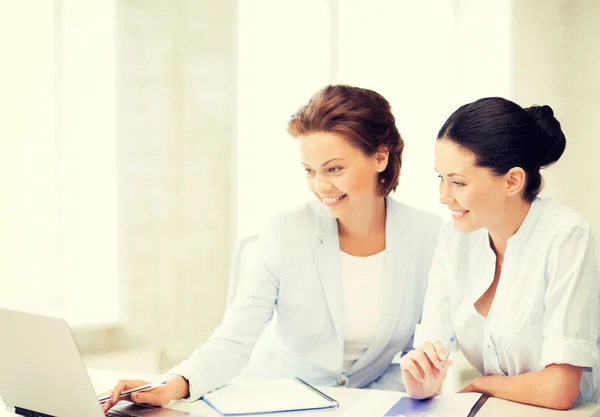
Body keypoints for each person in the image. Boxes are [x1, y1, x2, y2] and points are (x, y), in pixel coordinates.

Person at [102, 85, 443, 412]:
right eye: (310, 171)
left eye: (335, 169)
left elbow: (421, 353)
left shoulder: (428, 237)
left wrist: (398, 391)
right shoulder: (285, 233)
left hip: (366, 406)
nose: (321, 186)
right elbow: (235, 338)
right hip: (274, 401)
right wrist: (173, 384)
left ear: (380, 157)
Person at [400, 97, 600, 410]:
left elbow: (559, 388)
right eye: (441, 178)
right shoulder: (453, 238)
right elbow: (430, 354)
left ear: (512, 181)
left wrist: (483, 385)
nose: (443, 197)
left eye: (458, 182)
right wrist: (422, 381)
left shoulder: (565, 235)